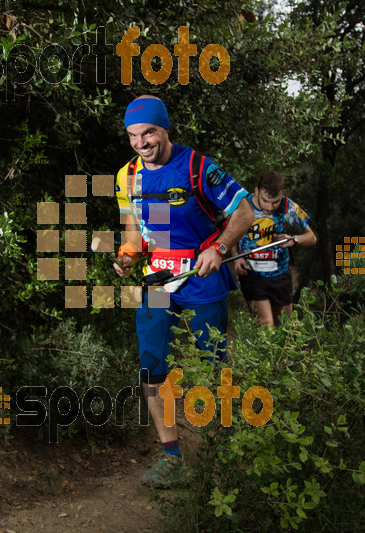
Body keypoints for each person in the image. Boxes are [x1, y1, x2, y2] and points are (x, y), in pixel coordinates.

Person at [113, 96, 254, 488]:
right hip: (157, 277)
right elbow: (134, 230)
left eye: (149, 133)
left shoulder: (196, 167)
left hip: (201, 274)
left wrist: (220, 248)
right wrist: (127, 255)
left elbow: (245, 211)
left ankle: (228, 450)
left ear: (165, 129)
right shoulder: (126, 177)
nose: (141, 143)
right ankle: (172, 457)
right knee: (151, 365)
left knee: (213, 361)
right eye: (133, 136)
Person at [231, 171, 316, 326]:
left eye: (275, 202)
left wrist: (293, 240)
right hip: (252, 275)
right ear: (256, 191)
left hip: (280, 274)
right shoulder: (243, 205)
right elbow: (230, 235)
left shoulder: (287, 207)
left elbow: (311, 237)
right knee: (265, 325)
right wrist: (237, 257)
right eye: (265, 201)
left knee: (284, 327)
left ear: (282, 193)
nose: (269, 207)